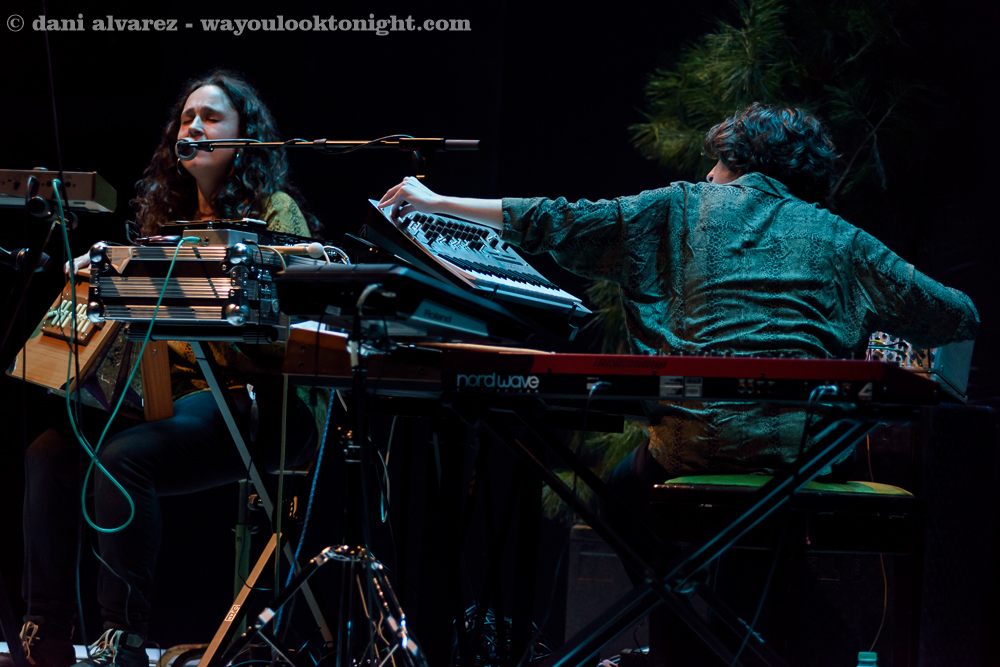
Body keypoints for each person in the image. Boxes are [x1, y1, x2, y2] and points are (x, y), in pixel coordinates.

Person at [377, 102, 979, 519]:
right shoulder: (843, 239)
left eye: (716, 163)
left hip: (691, 449)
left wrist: (438, 201)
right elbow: (958, 314)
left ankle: (675, 620)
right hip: (803, 459)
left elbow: (559, 218)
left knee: (616, 499)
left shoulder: (682, 205)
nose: (708, 174)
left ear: (737, 161)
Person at [2, 70, 320, 667]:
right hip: (173, 395)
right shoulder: (163, 216)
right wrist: (106, 276)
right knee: (49, 452)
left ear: (246, 136)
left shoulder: (275, 210)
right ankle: (45, 629)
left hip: (262, 400)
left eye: (211, 118)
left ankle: (122, 638)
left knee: (124, 459)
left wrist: (172, 273)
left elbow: (287, 318)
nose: (193, 127)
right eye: (186, 118)